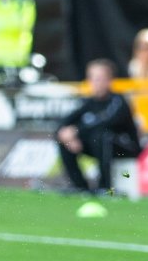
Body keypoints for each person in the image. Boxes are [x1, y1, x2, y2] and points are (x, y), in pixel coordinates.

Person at [55, 59, 141, 195]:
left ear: (109, 80)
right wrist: (66, 133)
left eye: (100, 78)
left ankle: (105, 187)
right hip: (98, 146)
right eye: (92, 78)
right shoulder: (88, 102)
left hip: (124, 147)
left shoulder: (118, 101)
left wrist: (76, 131)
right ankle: (80, 186)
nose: (96, 83)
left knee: (103, 136)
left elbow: (104, 122)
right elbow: (65, 122)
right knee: (63, 138)